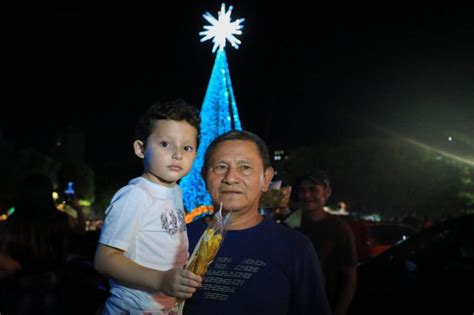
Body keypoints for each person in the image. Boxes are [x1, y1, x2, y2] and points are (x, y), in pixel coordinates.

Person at [184, 130, 330, 315]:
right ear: (205, 176)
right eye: (220, 167)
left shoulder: (295, 248)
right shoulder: (179, 239)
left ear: (266, 178)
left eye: (245, 167)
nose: (230, 178)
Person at [94, 99, 203, 314]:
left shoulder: (176, 192)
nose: (178, 154)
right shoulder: (135, 196)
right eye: (165, 144)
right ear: (141, 148)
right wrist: (162, 279)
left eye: (187, 147)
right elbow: (104, 260)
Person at [285, 170, 357, 315]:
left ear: (327, 192)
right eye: (302, 190)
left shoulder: (340, 230)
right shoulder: (288, 226)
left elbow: (349, 277)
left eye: (312, 190)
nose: (306, 195)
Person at [0, 172, 71, 314]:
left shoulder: (13, 222)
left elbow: (9, 262)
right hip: (54, 287)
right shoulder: (62, 219)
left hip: (18, 291)